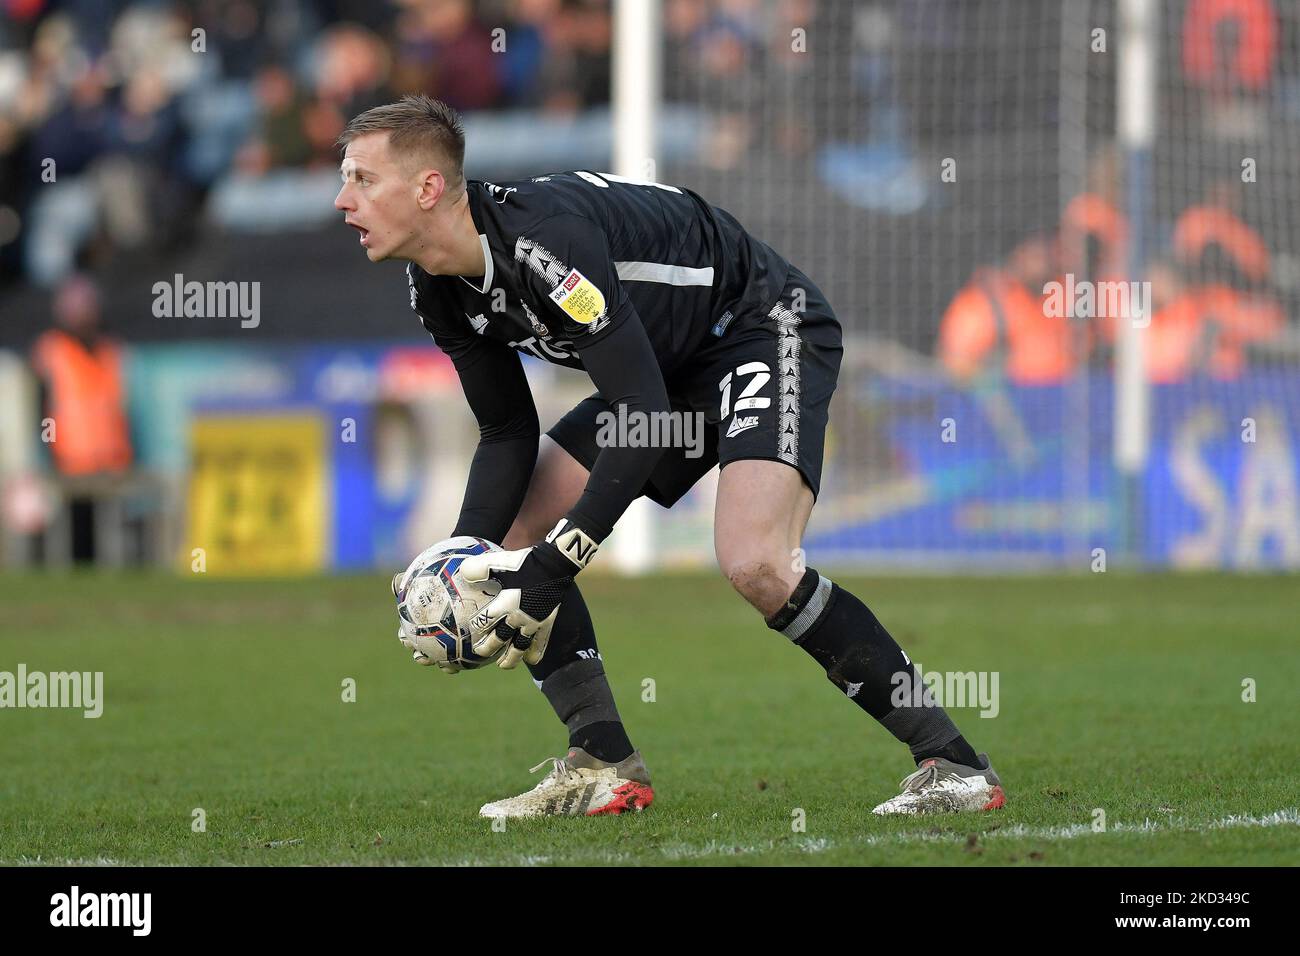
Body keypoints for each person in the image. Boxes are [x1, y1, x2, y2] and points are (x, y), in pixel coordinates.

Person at [334, 95, 1005, 818]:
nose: (343, 200)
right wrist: (466, 558)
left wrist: (555, 569)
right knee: (517, 531)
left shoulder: (545, 250)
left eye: (362, 179)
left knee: (757, 562)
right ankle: (603, 765)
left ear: (429, 189)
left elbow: (644, 419)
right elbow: (505, 432)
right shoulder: (434, 285)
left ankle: (957, 766)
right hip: (665, 370)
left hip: (759, 324)